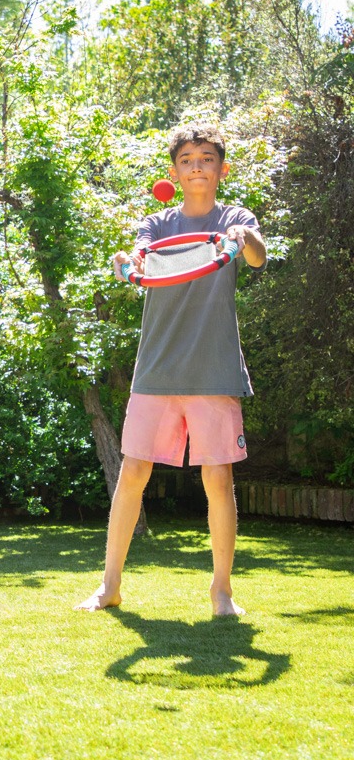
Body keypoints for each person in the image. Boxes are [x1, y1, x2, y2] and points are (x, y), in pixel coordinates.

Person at [76, 122, 267, 617]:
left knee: (218, 479)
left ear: (222, 169)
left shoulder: (235, 218)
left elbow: (257, 257)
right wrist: (125, 263)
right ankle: (109, 586)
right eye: (187, 160)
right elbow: (136, 260)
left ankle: (222, 592)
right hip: (157, 369)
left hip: (213, 369)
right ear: (175, 172)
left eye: (206, 159)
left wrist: (244, 237)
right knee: (133, 473)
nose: (197, 167)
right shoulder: (158, 224)